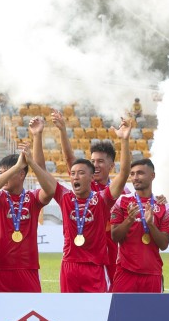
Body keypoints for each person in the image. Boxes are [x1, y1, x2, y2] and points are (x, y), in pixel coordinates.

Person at [48, 110, 126, 286]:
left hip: (110, 247)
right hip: (83, 248)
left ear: (111, 165)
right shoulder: (85, 183)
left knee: (110, 291)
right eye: (93, 161)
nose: (95, 165)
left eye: (100, 161)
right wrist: (62, 130)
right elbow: (69, 159)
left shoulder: (121, 191)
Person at [0, 135, 57, 293]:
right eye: (2, 173)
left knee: (31, 312)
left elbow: (50, 191)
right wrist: (16, 167)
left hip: (27, 268)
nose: (3, 177)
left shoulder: (32, 198)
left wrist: (31, 163)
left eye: (8, 173)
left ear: (22, 175)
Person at [109, 158, 169, 292]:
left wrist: (151, 224)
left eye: (140, 173)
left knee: (152, 313)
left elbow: (164, 244)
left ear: (152, 176)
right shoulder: (122, 201)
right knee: (121, 313)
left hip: (152, 274)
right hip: (125, 272)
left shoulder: (163, 206)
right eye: (132, 174)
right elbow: (114, 237)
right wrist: (129, 220)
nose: (135, 177)